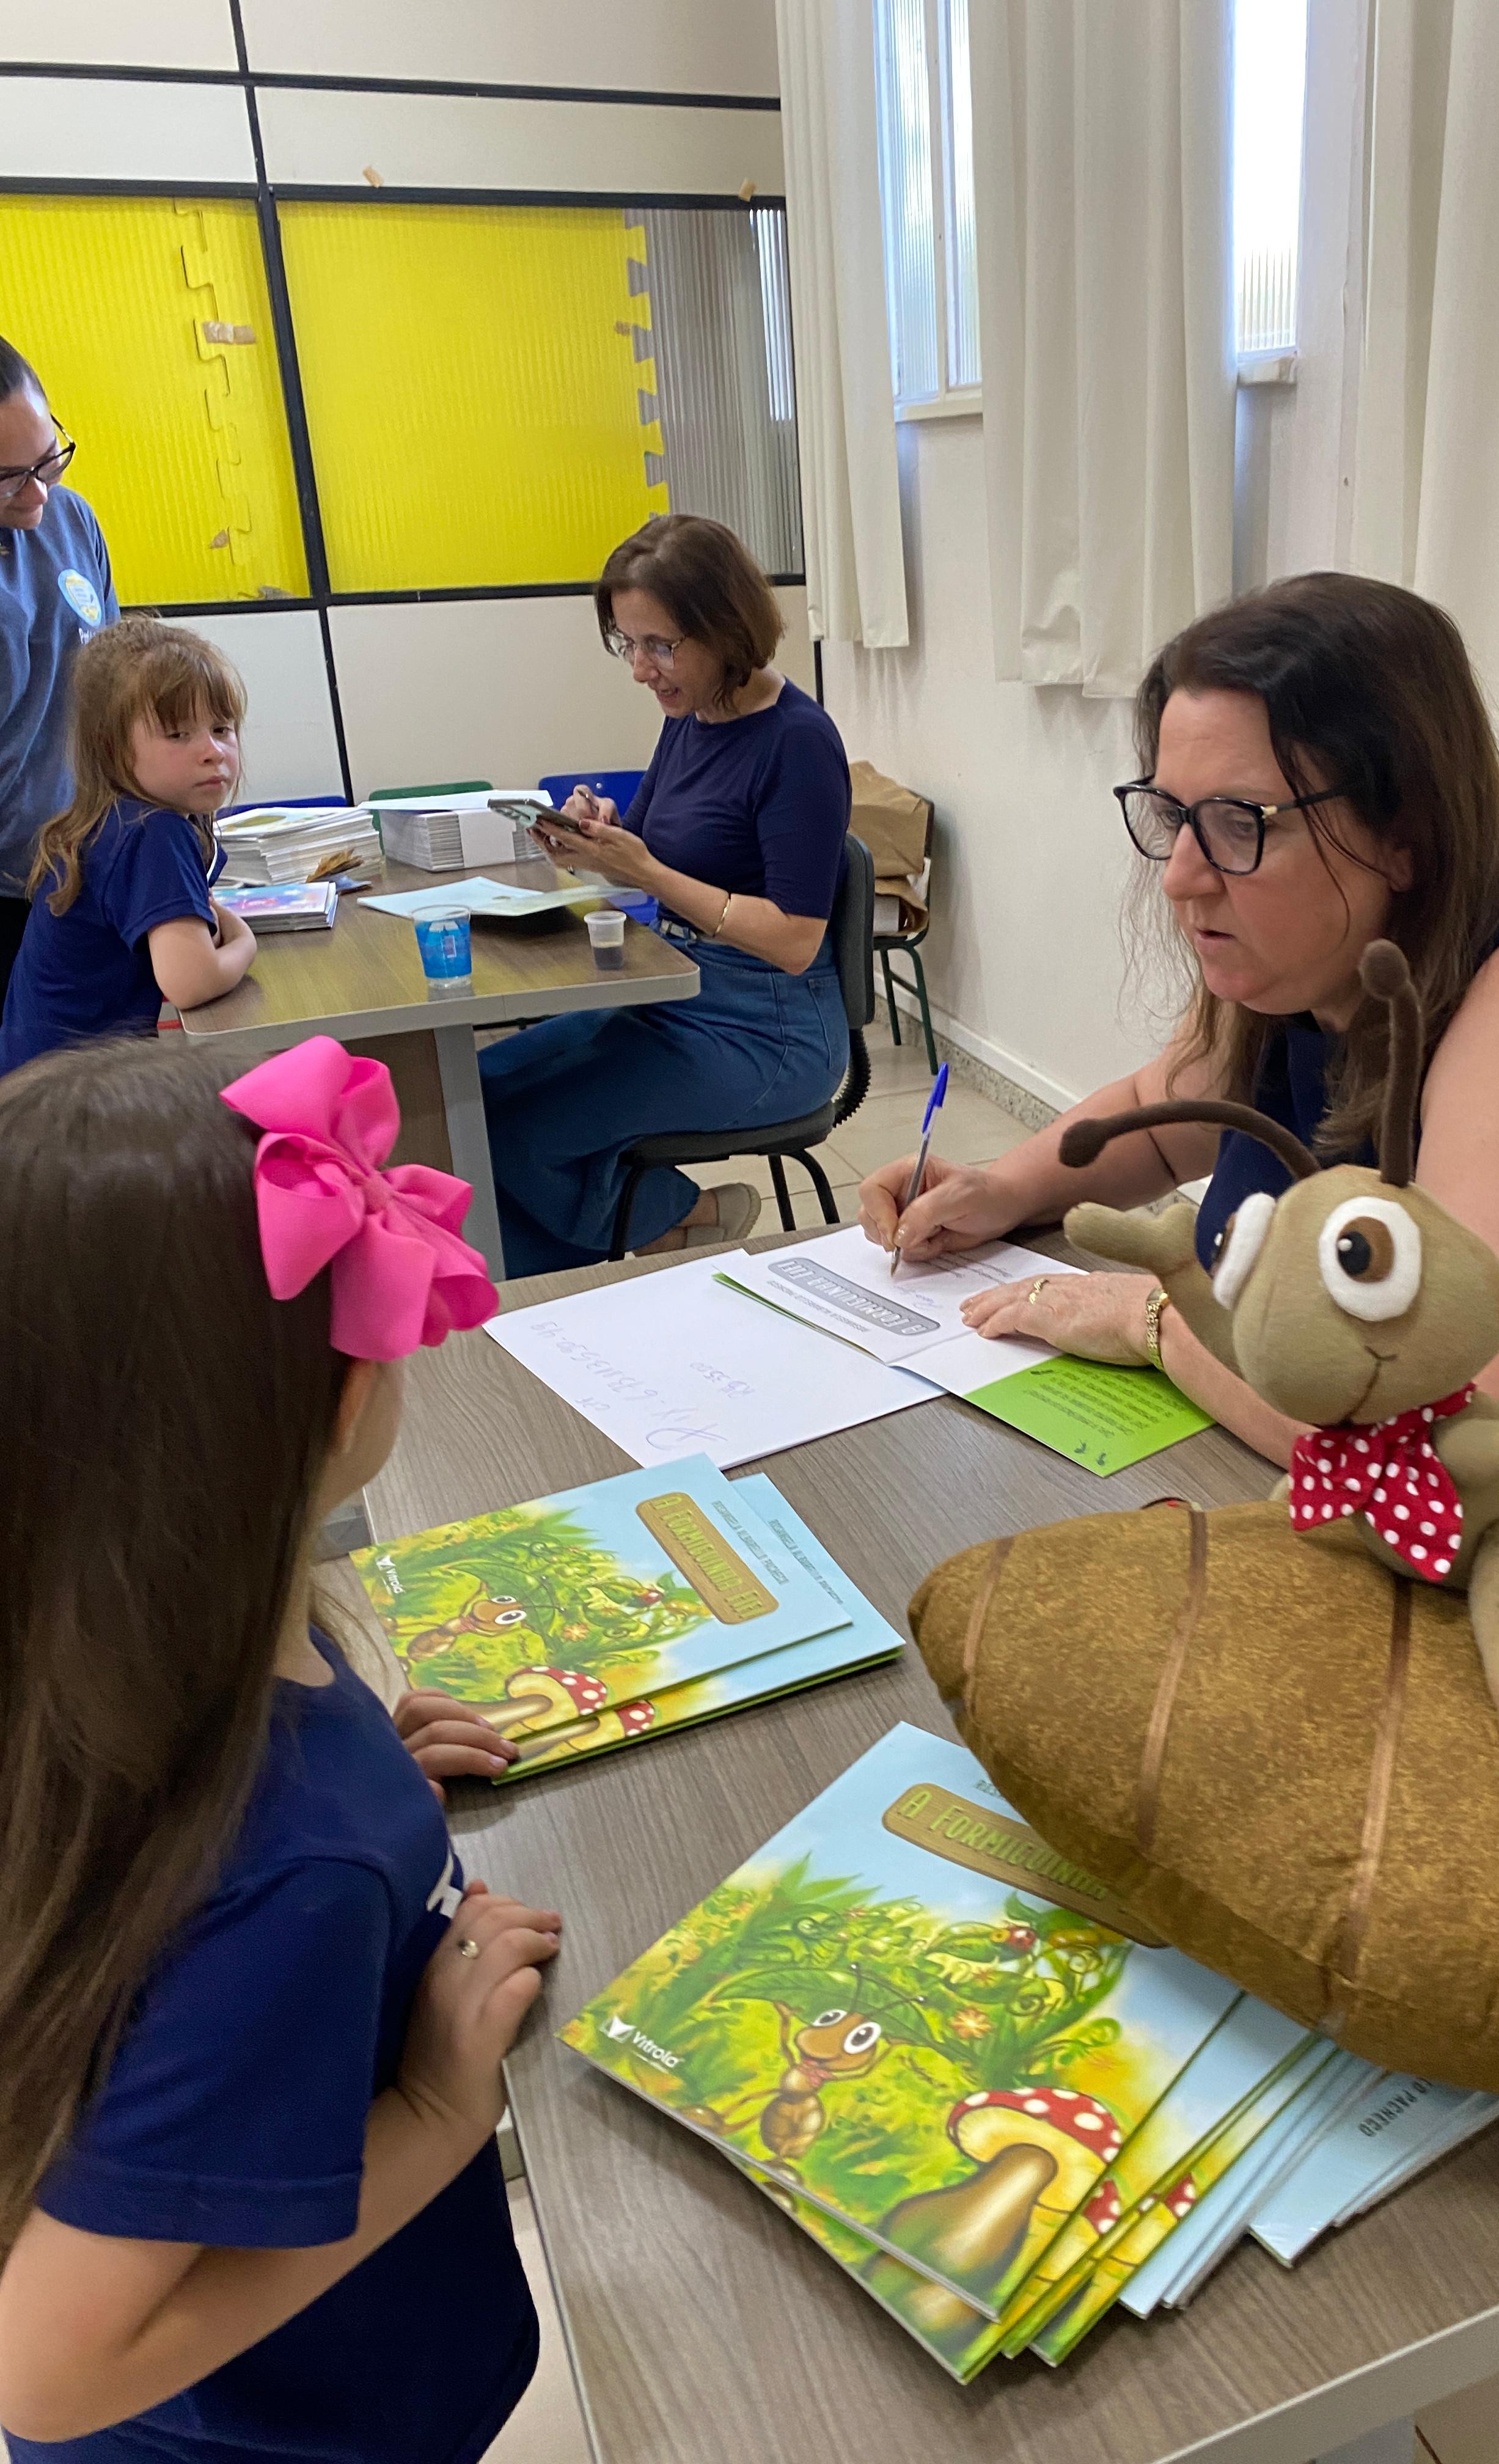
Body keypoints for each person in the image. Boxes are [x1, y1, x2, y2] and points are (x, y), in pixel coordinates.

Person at [859, 573, 1499, 1470]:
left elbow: (1470, 1451)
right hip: (1310, 1516)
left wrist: (1163, 1324)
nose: (1180, 875)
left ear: (1406, 833)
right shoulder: (1306, 966)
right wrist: (1003, 1189)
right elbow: (1162, 1116)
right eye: (1173, 814)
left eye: (1238, 822)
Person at [0, 1031, 559, 2462]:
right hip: (290, 2427)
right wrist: (438, 2110)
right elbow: (42, 2373)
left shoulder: (102, 1645)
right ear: (339, 1398)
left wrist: (371, 1763)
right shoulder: (292, 1867)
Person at [483, 513, 851, 1272]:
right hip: (675, 993)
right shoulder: (694, 714)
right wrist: (597, 833)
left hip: (766, 1031)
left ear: (725, 627)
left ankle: (656, 1226)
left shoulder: (797, 743)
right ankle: (663, 1229)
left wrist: (646, 871)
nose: (641, 669)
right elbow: (650, 846)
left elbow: (794, 939)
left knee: (512, 1136)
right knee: (475, 1098)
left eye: (660, 646)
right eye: (629, 644)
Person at [0, 618, 257, 1074]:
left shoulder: (115, 818)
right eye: (178, 734)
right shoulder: (153, 832)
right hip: (73, 1103)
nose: (212, 751)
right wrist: (245, 943)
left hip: (36, 1090)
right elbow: (191, 983)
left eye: (222, 729)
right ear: (111, 748)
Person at [0, 336, 118, 1008]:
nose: (37, 493)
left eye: (49, 459)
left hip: (79, 882)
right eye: (8, 476)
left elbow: (118, 692)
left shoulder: (72, 521)